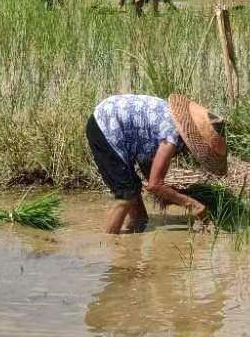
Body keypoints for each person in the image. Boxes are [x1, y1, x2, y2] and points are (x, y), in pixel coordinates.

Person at [86, 93, 228, 234]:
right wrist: (196, 207)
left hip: (112, 125)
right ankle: (108, 243)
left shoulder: (173, 123)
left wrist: (169, 195)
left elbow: (148, 167)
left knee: (141, 219)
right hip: (105, 125)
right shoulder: (172, 136)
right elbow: (155, 185)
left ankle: (129, 249)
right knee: (126, 195)